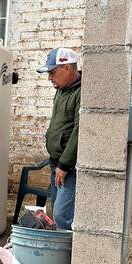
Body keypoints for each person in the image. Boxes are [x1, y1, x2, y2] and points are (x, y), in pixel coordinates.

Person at [36, 47, 81, 230]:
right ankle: (60, 246)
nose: (50, 78)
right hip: (56, 163)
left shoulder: (81, 92)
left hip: (68, 167)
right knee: (56, 210)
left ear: (67, 68)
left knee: (62, 215)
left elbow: (79, 131)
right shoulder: (62, 89)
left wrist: (64, 165)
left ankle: (69, 248)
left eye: (53, 72)